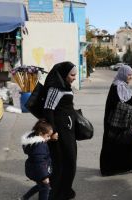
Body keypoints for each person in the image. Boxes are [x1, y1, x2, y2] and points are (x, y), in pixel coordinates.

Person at [100, 64, 132, 176]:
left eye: (131, 74)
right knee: (119, 141)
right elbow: (120, 103)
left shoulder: (121, 85)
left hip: (121, 121)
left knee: (127, 141)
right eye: (129, 74)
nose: (131, 77)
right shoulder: (118, 86)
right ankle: (111, 169)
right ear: (123, 74)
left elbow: (125, 100)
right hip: (116, 123)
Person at [43, 61, 77, 200]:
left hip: (68, 131)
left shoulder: (66, 86)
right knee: (61, 162)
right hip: (59, 133)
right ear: (64, 75)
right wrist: (53, 132)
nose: (74, 77)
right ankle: (56, 194)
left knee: (70, 161)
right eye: (72, 75)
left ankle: (65, 189)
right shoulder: (55, 89)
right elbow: (48, 110)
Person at [20, 119, 57, 200]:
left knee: (41, 186)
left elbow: (42, 141)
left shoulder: (34, 141)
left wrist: (50, 138)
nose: (49, 138)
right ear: (41, 134)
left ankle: (25, 197)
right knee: (45, 188)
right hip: (38, 172)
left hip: (33, 169)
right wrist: (44, 177)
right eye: (48, 136)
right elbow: (39, 162)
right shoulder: (40, 146)